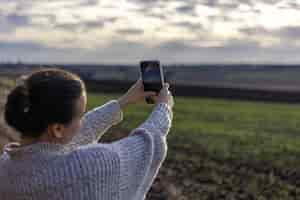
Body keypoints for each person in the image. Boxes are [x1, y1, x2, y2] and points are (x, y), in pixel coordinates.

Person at [0, 68, 174, 200]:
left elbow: (74, 138)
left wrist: (124, 102)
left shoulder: (5, 168)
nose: (82, 121)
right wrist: (164, 109)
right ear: (57, 129)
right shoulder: (89, 166)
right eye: (79, 115)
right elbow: (146, 144)